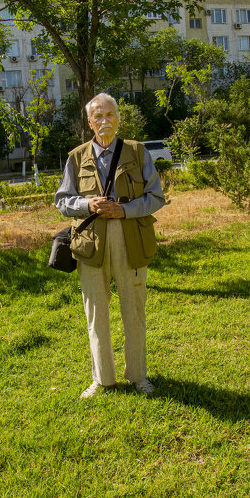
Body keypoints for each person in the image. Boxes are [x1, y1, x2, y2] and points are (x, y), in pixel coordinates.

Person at [55, 93, 165, 398]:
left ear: (118, 118)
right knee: (96, 314)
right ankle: (102, 379)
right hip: (91, 246)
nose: (105, 121)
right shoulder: (76, 157)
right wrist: (87, 205)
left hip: (131, 240)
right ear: (90, 122)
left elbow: (156, 198)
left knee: (134, 311)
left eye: (110, 115)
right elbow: (62, 201)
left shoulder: (137, 152)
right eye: (98, 116)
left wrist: (125, 210)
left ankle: (138, 376)